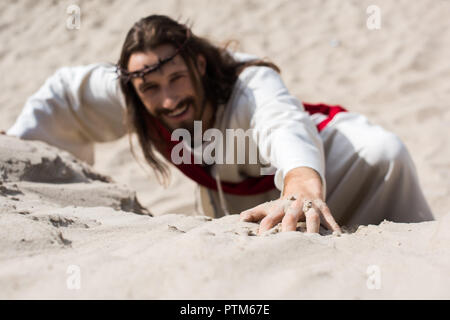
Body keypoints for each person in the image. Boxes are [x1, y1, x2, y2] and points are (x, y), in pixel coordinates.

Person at [5, 15, 434, 234]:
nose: (168, 99)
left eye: (177, 79)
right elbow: (64, 93)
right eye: (151, 88)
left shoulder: (251, 84)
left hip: (331, 166)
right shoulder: (134, 87)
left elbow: (283, 124)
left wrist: (301, 185)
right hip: (235, 194)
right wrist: (18, 151)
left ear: (200, 64)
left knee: (384, 152)